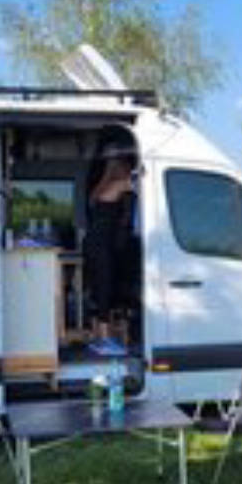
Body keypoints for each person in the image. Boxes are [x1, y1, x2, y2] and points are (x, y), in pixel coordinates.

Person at [84, 129, 137, 356]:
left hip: (95, 243)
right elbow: (140, 183)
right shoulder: (117, 185)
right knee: (104, 290)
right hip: (102, 244)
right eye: (126, 164)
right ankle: (105, 341)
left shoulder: (98, 190)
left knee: (100, 289)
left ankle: (99, 339)